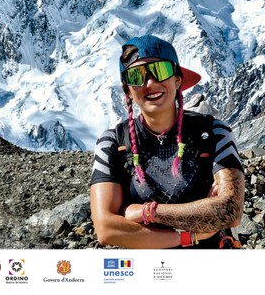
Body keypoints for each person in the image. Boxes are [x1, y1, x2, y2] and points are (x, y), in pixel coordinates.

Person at [90, 35, 245, 249]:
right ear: (127, 89)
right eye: (137, 76)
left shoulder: (214, 132)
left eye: (161, 70)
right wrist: (191, 235)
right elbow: (106, 229)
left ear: (177, 79)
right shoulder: (112, 143)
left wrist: (143, 212)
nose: (151, 83)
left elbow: (230, 212)